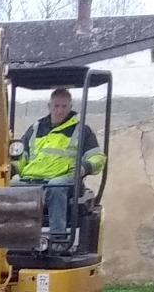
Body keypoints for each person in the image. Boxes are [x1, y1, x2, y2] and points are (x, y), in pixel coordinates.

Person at [14, 87, 105, 243]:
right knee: (11, 186)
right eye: (56, 106)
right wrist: (13, 168)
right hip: (32, 179)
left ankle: (58, 240)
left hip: (64, 179)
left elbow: (97, 157)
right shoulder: (36, 128)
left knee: (55, 187)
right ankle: (15, 238)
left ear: (70, 107)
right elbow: (23, 155)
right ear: (49, 107)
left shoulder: (81, 129)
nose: (60, 111)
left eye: (64, 107)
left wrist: (85, 167)